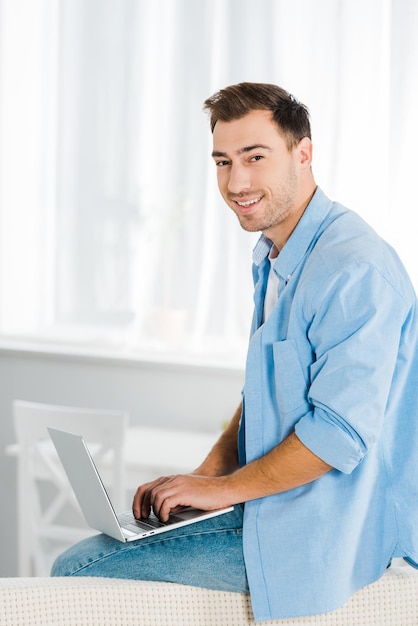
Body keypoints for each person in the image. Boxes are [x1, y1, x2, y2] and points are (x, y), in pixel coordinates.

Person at [51, 82, 418, 622]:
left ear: (304, 153)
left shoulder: (353, 269)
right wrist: (201, 483)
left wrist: (220, 489)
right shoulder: (277, 255)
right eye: (222, 161)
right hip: (271, 505)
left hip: (332, 527)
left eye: (254, 157)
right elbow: (265, 392)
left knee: (74, 572)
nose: (236, 182)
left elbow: (336, 436)